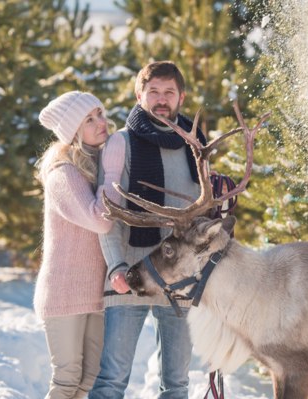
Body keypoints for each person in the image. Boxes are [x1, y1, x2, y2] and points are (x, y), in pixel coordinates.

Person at [89, 61, 206, 399]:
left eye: (168, 92)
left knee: (177, 384)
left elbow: (201, 214)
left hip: (181, 278)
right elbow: (107, 213)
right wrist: (116, 267)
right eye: (153, 91)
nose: (161, 99)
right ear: (139, 94)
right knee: (112, 379)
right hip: (131, 273)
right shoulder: (120, 143)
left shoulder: (195, 145)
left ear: (181, 97)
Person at [34, 91, 118, 399]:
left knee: (89, 381)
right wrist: (113, 174)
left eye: (99, 113)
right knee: (68, 380)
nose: (101, 123)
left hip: (95, 293)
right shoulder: (63, 174)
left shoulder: (95, 165)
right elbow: (100, 220)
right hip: (64, 293)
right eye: (89, 119)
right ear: (73, 132)